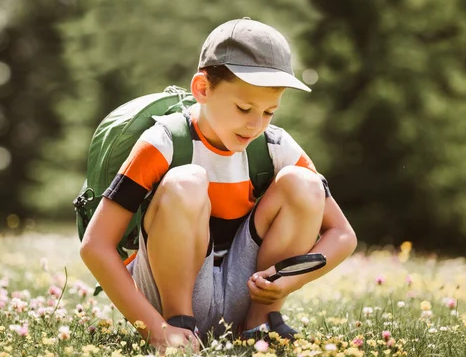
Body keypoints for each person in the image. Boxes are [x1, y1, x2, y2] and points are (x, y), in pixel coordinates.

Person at [80, 17, 357, 352]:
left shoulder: (274, 146)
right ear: (203, 89)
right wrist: (154, 329)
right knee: (188, 180)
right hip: (167, 297)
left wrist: (287, 283)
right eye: (244, 108)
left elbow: (343, 234)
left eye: (269, 112)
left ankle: (258, 327)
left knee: (305, 183)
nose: (256, 124)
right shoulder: (163, 142)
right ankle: (180, 328)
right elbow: (95, 245)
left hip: (246, 292)